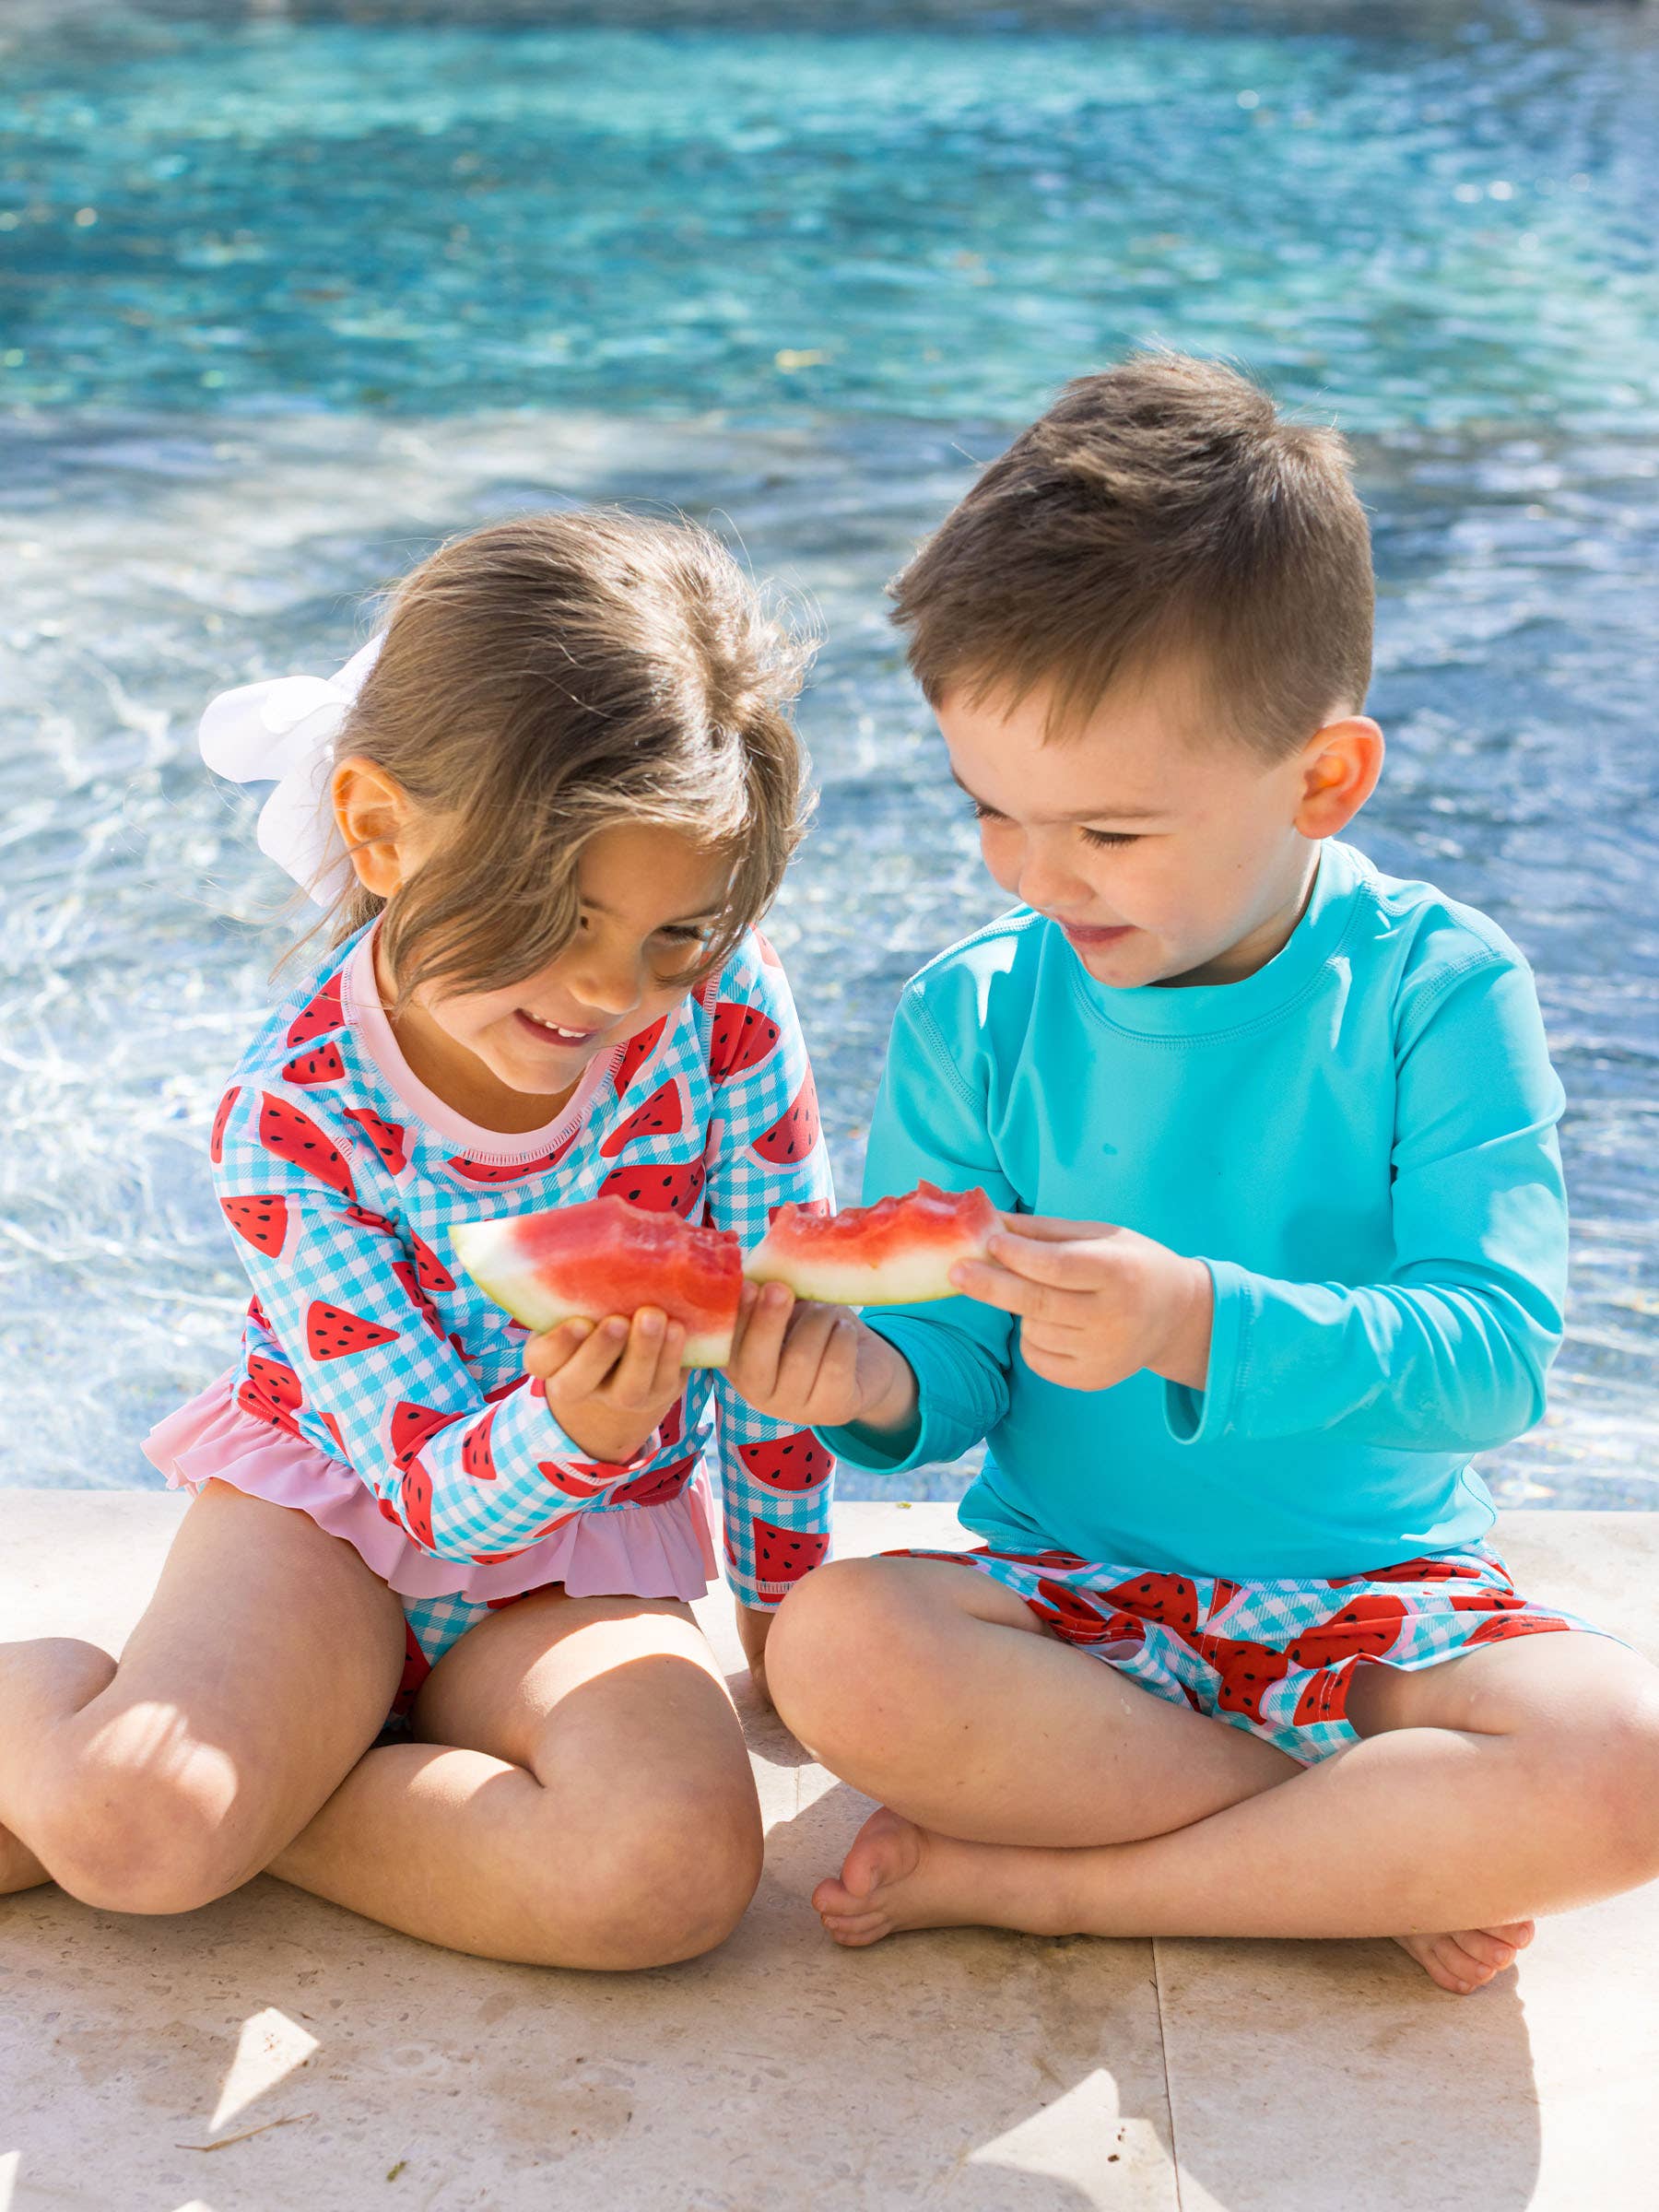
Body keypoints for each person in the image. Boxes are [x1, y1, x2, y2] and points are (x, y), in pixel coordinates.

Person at [724, 354, 1659, 1995]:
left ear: (1323, 778)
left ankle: (1052, 1890)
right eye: (991, 812)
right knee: (840, 1649)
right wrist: (860, 1376)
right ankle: (1346, 1857)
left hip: (1378, 1598)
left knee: (1631, 1763)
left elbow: (1495, 1362)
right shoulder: (977, 1010)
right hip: (1068, 1603)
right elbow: (953, 1373)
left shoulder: (1442, 989)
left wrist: (1194, 1320)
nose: (1035, 873)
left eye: (1109, 830)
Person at [0, 511, 835, 1970]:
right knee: (139, 1837)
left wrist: (784, 1609)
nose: (612, 990)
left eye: (673, 936)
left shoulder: (726, 1007)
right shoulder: (295, 1113)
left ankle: (254, 1785)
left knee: (667, 1879)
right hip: (332, 1528)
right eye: (561, 915)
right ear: (382, 834)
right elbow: (421, 1484)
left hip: (579, 1558)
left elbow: (781, 1325)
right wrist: (569, 1426)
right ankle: (100, 1732)